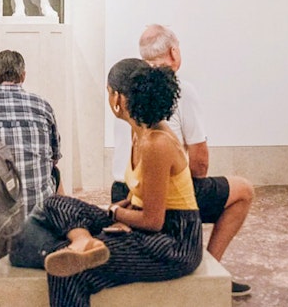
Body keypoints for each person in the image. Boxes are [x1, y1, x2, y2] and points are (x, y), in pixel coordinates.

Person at [36, 59, 203, 307]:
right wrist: (123, 210)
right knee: (55, 203)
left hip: (173, 242)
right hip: (145, 223)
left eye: (109, 93)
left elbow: (153, 221)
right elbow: (142, 196)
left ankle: (85, 246)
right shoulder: (139, 133)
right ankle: (84, 241)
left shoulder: (156, 143)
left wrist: (116, 212)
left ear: (118, 99)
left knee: (67, 269)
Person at [112, 24, 254, 297]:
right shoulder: (180, 89)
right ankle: (210, 274)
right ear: (174, 53)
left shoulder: (129, 89)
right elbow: (200, 163)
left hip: (121, 188)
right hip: (153, 197)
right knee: (244, 191)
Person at [0, 50, 61, 216]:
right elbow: (55, 157)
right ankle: (58, 220)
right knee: (54, 173)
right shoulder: (43, 106)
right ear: (23, 76)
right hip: (37, 213)